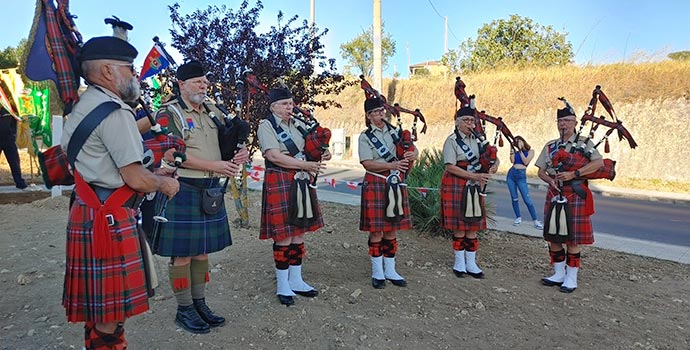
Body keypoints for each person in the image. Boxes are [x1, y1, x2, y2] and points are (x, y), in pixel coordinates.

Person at [61, 36, 180, 350]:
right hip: (108, 219)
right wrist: (163, 182)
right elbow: (135, 177)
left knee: (99, 309)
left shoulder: (83, 105)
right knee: (109, 315)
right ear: (107, 71)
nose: (134, 75)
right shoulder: (115, 112)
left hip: (89, 211)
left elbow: (108, 163)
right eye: (128, 68)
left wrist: (152, 171)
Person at [149, 60, 248, 333]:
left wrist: (240, 153)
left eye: (205, 81)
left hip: (210, 190)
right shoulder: (169, 113)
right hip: (183, 189)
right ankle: (184, 309)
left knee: (202, 252)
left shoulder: (215, 111)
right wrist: (214, 166)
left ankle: (199, 303)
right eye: (197, 81)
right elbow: (170, 154)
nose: (203, 85)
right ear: (181, 84)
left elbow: (229, 140)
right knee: (182, 254)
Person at [257, 87, 330, 306]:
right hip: (280, 179)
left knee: (299, 232)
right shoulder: (266, 125)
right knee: (284, 236)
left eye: (291, 103)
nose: (289, 107)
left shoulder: (299, 125)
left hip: (301, 180)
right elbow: (273, 155)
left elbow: (311, 148)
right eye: (284, 104)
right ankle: (282, 285)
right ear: (273, 107)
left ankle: (296, 280)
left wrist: (323, 152)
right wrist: (305, 164)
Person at [535, 106, 604, 293]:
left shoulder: (585, 143)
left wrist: (575, 173)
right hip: (554, 193)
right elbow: (541, 171)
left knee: (573, 238)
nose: (563, 124)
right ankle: (558, 273)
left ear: (575, 123)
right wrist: (550, 180)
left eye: (567, 121)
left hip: (574, 193)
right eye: (560, 121)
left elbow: (599, 163)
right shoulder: (550, 145)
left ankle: (571, 277)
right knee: (553, 236)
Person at [358, 97, 418, 289]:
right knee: (376, 230)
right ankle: (377, 272)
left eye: (382, 111)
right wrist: (391, 165)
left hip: (395, 183)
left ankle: (390, 270)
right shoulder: (365, 136)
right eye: (375, 112)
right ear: (368, 116)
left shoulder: (396, 132)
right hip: (376, 182)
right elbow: (367, 163)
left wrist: (412, 154)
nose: (380, 115)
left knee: (391, 228)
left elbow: (414, 150)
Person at [439, 106, 498, 279]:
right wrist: (474, 176)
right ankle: (459, 262)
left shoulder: (480, 140)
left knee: (472, 225)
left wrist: (494, 166)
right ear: (457, 122)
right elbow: (450, 166)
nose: (470, 124)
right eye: (466, 120)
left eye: (472, 121)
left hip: (474, 184)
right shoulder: (451, 141)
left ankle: (471, 263)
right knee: (459, 226)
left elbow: (493, 158)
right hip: (457, 183)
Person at [506, 135, 543, 229]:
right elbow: (512, 161)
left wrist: (521, 150)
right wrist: (511, 149)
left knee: (527, 199)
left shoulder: (531, 151)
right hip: (511, 174)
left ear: (523, 141)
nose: (518, 143)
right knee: (514, 198)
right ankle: (518, 217)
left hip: (521, 175)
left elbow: (526, 162)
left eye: (519, 141)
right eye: (516, 141)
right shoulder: (516, 152)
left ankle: (535, 220)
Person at [0, 107, 28, 189]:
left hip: (9, 140)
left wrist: (13, 134)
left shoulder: (8, 110)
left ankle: (19, 182)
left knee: (14, 162)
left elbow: (14, 121)